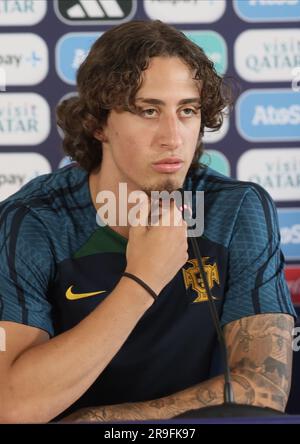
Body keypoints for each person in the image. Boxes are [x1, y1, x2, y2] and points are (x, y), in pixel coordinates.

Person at [0, 20, 296, 424]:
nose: (173, 137)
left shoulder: (237, 209)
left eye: (187, 111)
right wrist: (142, 281)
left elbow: (263, 389)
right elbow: (10, 405)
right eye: (148, 111)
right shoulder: (33, 222)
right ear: (97, 124)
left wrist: (103, 421)